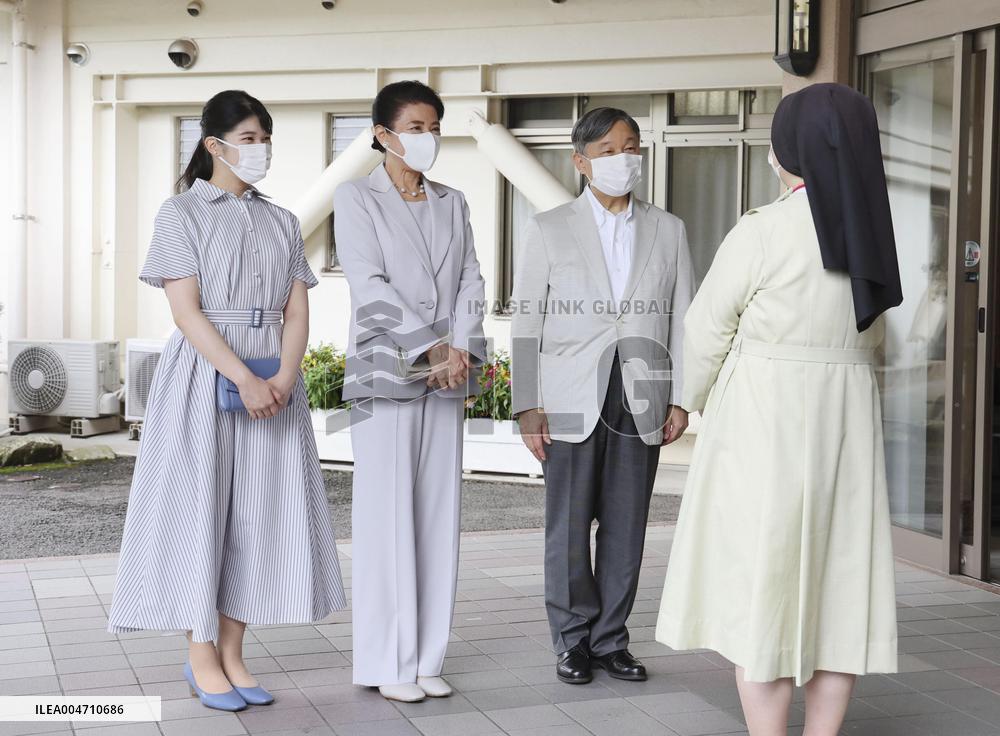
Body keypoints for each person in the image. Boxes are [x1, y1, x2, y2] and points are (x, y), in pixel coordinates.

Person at [655, 83, 902, 736]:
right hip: (845, 422)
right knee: (837, 595)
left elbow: (706, 328)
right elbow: (875, 337)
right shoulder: (874, 235)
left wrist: (684, 405)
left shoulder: (763, 231)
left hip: (765, 419)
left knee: (763, 585)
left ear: (791, 148)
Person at [106, 90, 346, 713]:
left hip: (274, 383)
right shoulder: (179, 213)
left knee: (259, 519)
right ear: (213, 145)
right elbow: (185, 311)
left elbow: (298, 308)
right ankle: (201, 655)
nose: (260, 148)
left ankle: (235, 652)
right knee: (200, 514)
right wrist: (243, 377)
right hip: (204, 381)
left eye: (265, 137)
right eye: (248, 138)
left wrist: (286, 378)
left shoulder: (282, 221)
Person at [510, 107, 695, 685]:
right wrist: (527, 403)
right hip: (567, 394)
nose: (625, 159)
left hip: (641, 390)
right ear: (582, 161)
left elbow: (684, 317)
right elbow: (526, 322)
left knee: (626, 522)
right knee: (567, 525)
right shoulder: (548, 227)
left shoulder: (669, 228)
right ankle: (571, 640)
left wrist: (682, 396)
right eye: (611, 150)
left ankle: (611, 639)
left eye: (632, 147)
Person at [333, 80, 487, 704]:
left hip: (449, 371)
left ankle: (426, 656)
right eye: (416, 127)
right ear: (383, 135)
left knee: (436, 515)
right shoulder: (356, 197)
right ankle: (384, 657)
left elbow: (474, 276)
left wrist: (465, 347)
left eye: (434, 126)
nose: (428, 138)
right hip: (389, 369)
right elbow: (368, 282)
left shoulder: (453, 201)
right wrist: (430, 345)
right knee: (386, 517)